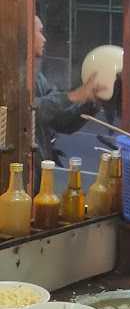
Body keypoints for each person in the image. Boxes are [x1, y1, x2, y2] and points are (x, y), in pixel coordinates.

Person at [33, 16, 102, 184]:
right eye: (39, 32)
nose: (44, 38)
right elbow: (32, 110)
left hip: (37, 177)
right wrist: (74, 95)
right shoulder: (8, 75)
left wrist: (90, 103)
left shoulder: (37, 78)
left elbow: (62, 122)